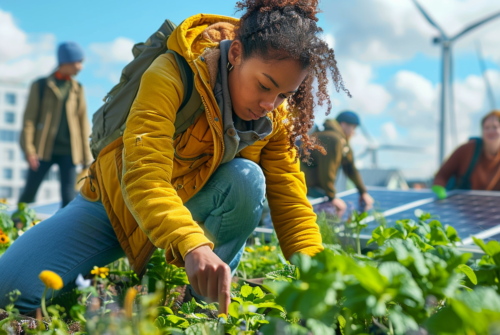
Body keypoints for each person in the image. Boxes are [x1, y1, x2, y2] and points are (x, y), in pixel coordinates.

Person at [0, 0, 351, 315]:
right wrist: (191, 243)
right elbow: (143, 177)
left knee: (247, 179)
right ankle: (138, 278)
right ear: (236, 53)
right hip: (115, 203)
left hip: (188, 213)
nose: (269, 104)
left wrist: (318, 278)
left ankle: (204, 308)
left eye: (283, 94)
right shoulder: (171, 73)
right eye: (264, 85)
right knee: (9, 291)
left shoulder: (275, 115)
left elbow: (291, 204)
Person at [19, 42, 92, 208]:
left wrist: (86, 157)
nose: (80, 67)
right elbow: (29, 120)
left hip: (69, 152)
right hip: (42, 150)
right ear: (66, 61)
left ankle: (65, 232)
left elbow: (83, 123)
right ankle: (14, 229)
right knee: (29, 194)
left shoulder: (77, 88)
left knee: (69, 198)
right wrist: (29, 150)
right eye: (78, 62)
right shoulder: (41, 86)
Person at [301, 111, 374, 217]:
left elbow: (350, 167)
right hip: (309, 191)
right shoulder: (333, 139)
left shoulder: (340, 140)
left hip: (315, 191)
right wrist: (332, 197)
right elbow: (327, 170)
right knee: (338, 209)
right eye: (353, 127)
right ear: (343, 124)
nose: (354, 132)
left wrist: (362, 192)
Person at [432, 110, 500, 199]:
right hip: (463, 205)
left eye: (495, 127)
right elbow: (442, 174)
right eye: (486, 127)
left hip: (494, 207)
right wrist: (440, 189)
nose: (490, 131)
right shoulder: (467, 149)